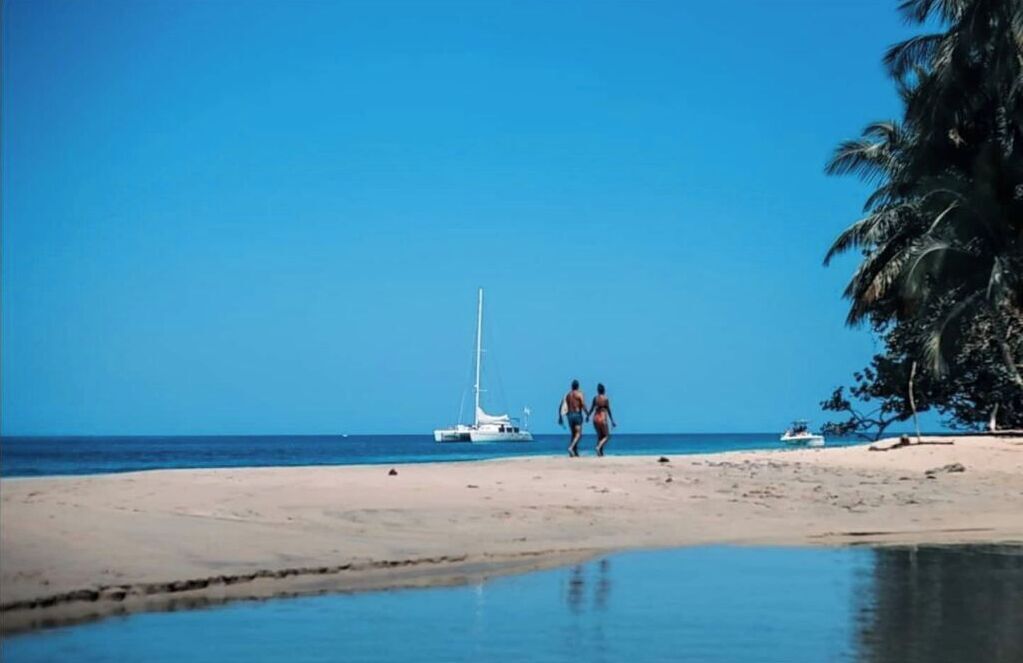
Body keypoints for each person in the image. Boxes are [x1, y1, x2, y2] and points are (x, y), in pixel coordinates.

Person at [558, 379, 588, 457]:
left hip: (569, 416)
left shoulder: (567, 395)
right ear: (578, 386)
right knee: (578, 434)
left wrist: (560, 417)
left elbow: (561, 405)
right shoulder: (580, 394)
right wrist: (587, 413)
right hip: (577, 414)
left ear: (571, 386)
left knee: (573, 434)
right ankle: (571, 448)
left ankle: (575, 452)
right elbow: (583, 404)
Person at [588, 383, 616, 457]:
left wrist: (588, 416)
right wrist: (612, 420)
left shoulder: (595, 398)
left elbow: (591, 408)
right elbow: (608, 410)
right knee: (607, 436)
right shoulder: (605, 399)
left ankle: (600, 453)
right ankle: (598, 447)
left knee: (600, 436)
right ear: (604, 390)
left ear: (597, 391)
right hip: (602, 417)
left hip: (595, 418)